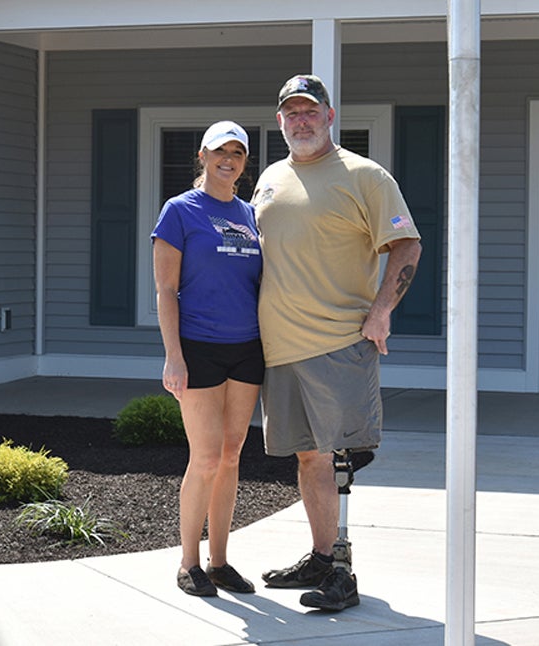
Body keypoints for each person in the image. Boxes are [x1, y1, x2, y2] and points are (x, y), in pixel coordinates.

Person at [252, 74, 422, 611]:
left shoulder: (364, 175)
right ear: (280, 121)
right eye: (291, 114)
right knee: (308, 459)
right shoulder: (271, 178)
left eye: (310, 111)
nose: (301, 121)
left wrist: (381, 312)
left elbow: (407, 245)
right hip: (278, 349)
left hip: (337, 344)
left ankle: (342, 574)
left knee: (340, 459)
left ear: (329, 116)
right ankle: (322, 556)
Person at [151, 120, 264, 597]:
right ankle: (188, 563)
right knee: (206, 457)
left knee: (233, 455)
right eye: (221, 150)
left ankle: (219, 561)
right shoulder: (180, 211)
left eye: (237, 152)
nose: (229, 159)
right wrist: (173, 357)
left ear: (244, 161)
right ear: (202, 155)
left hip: (248, 348)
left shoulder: (253, 214)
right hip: (198, 348)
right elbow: (165, 289)